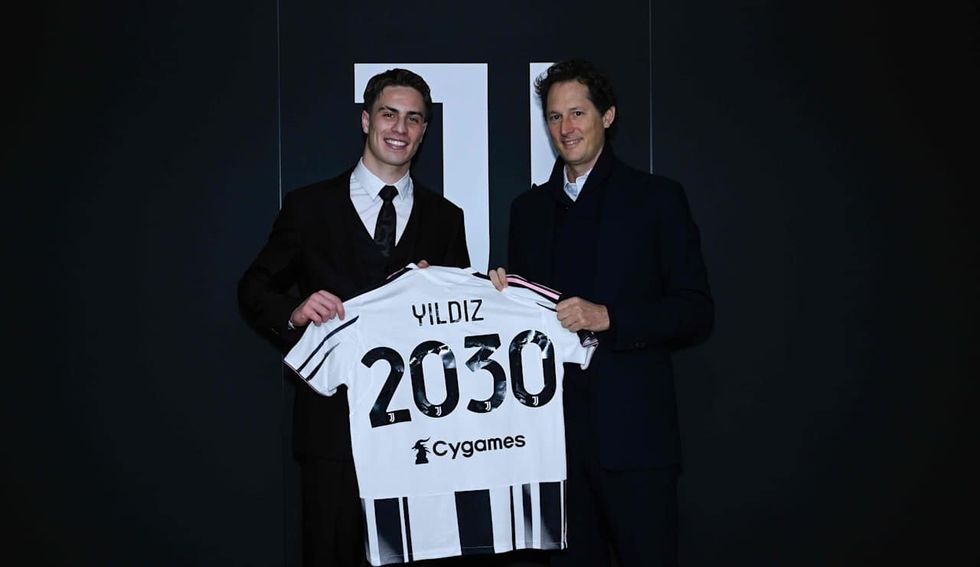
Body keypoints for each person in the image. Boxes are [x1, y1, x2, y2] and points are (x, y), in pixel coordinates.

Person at [238, 68, 470, 566]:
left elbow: (458, 327)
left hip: (417, 434)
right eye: (389, 114)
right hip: (331, 428)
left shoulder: (446, 218)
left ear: (424, 131)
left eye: (413, 119)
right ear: (367, 120)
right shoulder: (308, 207)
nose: (400, 129)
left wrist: (450, 292)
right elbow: (254, 288)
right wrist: (295, 313)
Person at [490, 59, 713, 566]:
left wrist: (609, 317)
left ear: (607, 116)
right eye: (554, 116)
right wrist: (499, 296)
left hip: (636, 441)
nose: (565, 128)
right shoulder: (527, 211)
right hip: (552, 447)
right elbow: (523, 322)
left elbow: (696, 311)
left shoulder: (657, 199)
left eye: (578, 113)